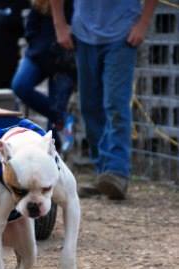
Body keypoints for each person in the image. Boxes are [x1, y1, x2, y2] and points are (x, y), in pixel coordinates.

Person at [50, 0, 158, 199]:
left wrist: (143, 23)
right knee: (89, 106)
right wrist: (60, 25)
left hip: (122, 33)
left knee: (115, 104)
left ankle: (117, 172)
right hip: (84, 33)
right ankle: (103, 172)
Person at [11, 0, 77, 151]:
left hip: (65, 63)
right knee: (20, 85)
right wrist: (37, 44)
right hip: (38, 56)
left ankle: (56, 157)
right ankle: (62, 117)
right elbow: (30, 27)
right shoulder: (41, 3)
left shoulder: (77, 5)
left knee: (53, 125)